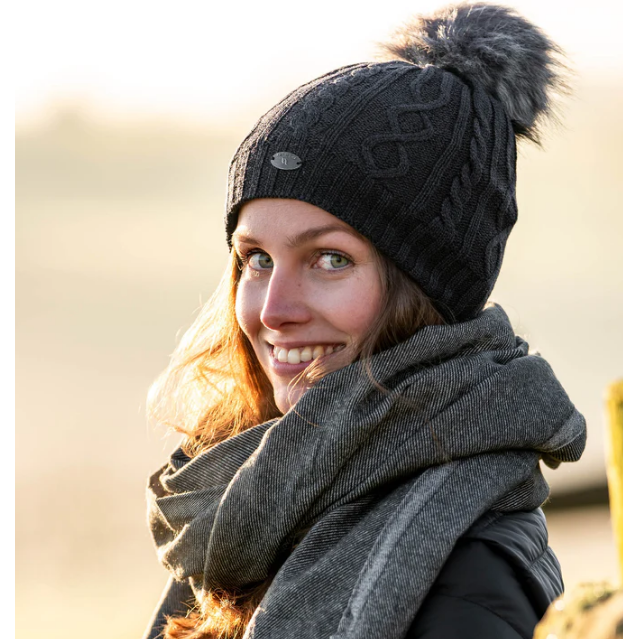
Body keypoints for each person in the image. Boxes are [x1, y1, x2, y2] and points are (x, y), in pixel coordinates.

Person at [143, 4, 587, 638]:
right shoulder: (252, 508)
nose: (273, 310)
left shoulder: (469, 576)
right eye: (257, 259)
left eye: (330, 259)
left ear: (426, 287)